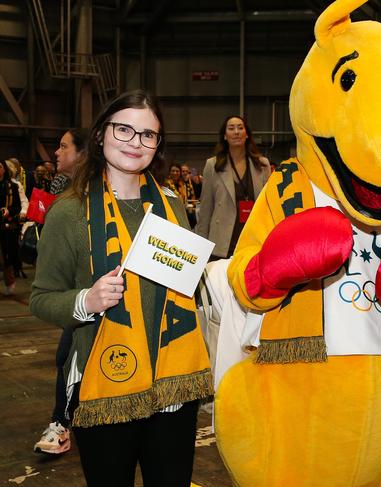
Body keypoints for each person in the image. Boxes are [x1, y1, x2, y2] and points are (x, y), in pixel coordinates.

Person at [30, 89, 212, 487]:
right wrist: (86, 301)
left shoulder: (171, 205)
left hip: (173, 385)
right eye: (124, 129)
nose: (136, 142)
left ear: (157, 144)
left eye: (148, 135)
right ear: (100, 135)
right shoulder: (70, 211)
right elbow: (41, 297)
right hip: (104, 384)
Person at [33, 128, 88, 455]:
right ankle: (63, 421)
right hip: (72, 291)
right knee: (67, 355)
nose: (56, 152)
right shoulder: (62, 188)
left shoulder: (96, 191)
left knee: (68, 355)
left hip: (92, 289)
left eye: (64, 146)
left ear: (81, 152)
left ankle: (61, 422)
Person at [196, 115, 271, 260]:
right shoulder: (212, 165)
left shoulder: (262, 165)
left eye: (240, 128)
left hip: (253, 240)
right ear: (225, 136)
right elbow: (206, 210)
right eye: (231, 128)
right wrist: (200, 247)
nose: (236, 132)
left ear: (247, 134)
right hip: (222, 242)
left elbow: (268, 206)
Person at [0, 159, 22, 295]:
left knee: (6, 256)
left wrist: (9, 211)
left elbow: (17, 207)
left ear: (4, 169)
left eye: (0, 167)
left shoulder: (11, 186)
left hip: (6, 226)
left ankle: (10, 282)